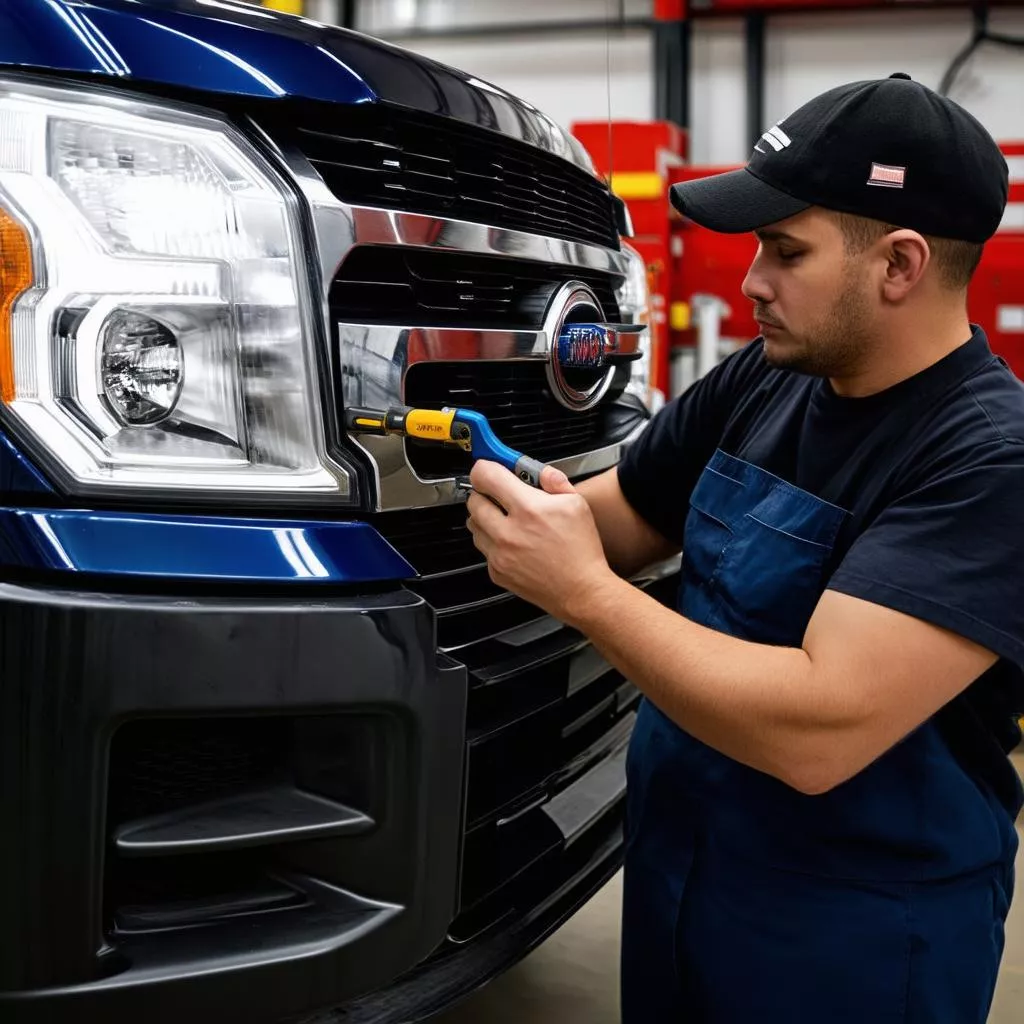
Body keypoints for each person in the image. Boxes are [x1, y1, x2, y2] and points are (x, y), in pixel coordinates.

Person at [465, 73, 1024, 1023]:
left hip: (852, 939)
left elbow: (820, 729)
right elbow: (621, 517)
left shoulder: (987, 460)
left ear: (899, 264)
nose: (750, 281)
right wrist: (492, 488)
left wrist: (586, 593)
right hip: (684, 877)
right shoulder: (766, 382)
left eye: (783, 250)